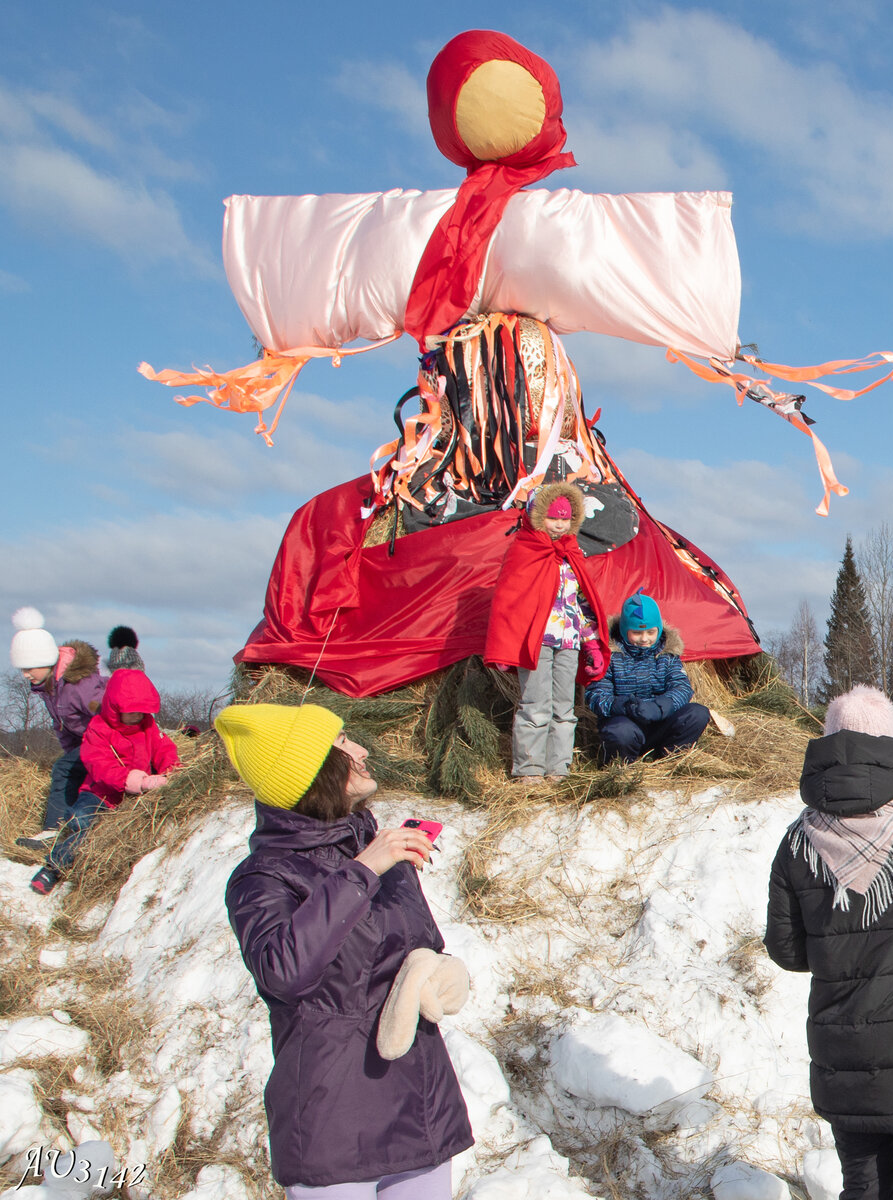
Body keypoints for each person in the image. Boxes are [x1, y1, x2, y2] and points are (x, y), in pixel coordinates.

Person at [216, 702, 473, 1199]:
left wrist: (441, 973)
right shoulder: (265, 875)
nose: (359, 749)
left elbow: (417, 950)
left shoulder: (379, 845)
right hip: (333, 1115)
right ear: (310, 772)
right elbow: (282, 971)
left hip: (418, 1098)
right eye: (340, 743)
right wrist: (361, 872)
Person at [764, 685, 893, 1200]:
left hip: (845, 1057)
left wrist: (840, 950)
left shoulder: (799, 841)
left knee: (866, 1190)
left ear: (828, 748)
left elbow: (785, 949)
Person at [484, 481, 609, 780]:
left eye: (565, 519)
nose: (559, 525)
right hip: (536, 642)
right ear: (536, 515)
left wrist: (591, 643)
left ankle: (558, 769)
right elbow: (510, 603)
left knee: (564, 709)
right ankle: (529, 770)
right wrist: (506, 646)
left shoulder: (571, 555)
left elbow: (582, 604)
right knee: (535, 706)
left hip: (569, 642)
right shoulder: (524, 551)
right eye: (553, 518)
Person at [30, 668, 180, 895]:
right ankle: (54, 866)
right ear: (114, 707)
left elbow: (164, 749)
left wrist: (171, 772)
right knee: (85, 825)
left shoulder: (147, 725)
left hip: (131, 796)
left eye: (142, 711)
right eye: (131, 712)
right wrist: (134, 780)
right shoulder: (99, 729)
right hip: (99, 793)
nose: (137, 716)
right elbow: (99, 766)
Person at [10, 607, 106, 851]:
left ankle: (53, 830)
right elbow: (62, 725)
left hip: (107, 740)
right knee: (69, 765)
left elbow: (108, 712)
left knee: (63, 769)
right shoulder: (51, 687)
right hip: (88, 742)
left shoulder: (77, 685)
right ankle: (67, 824)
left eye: (29, 667)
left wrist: (101, 750)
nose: (25, 675)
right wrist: (74, 752)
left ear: (44, 661)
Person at [585, 591, 709, 763]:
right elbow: (596, 695)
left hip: (660, 721)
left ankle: (668, 759)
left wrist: (660, 707)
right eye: (636, 633)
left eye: (651, 632)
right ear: (624, 630)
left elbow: (682, 687)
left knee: (697, 713)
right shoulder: (609, 655)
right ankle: (622, 766)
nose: (645, 639)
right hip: (626, 723)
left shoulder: (667, 654)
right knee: (619, 732)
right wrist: (623, 705)